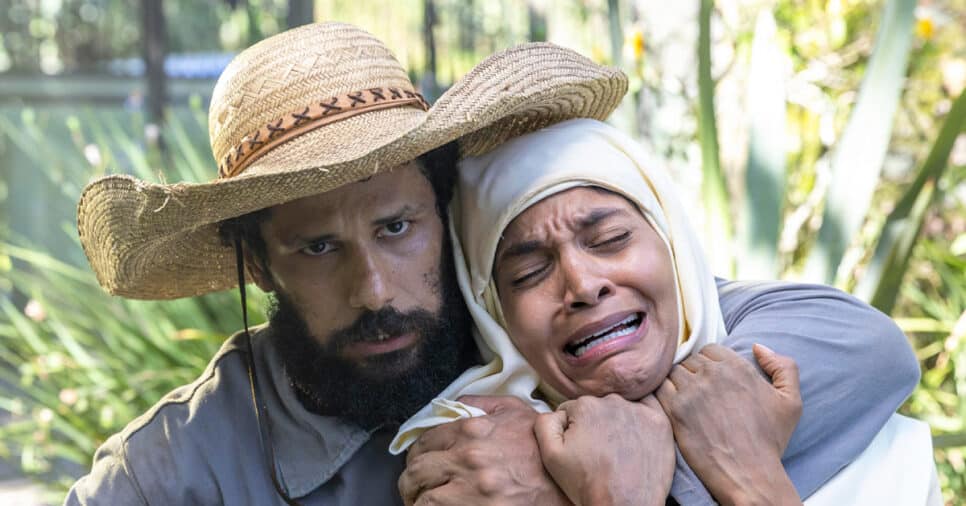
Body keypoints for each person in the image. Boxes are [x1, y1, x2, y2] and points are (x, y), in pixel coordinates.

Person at [66, 23, 919, 505]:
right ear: (259, 264)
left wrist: (584, 466)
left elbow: (863, 346)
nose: (375, 290)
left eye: (397, 227)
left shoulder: (538, 313)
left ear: (446, 217)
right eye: (318, 247)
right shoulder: (174, 469)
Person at [393, 118, 939, 505]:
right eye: (529, 273)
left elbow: (879, 349)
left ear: (673, 247)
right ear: (494, 317)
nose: (582, 285)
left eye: (609, 238)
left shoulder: (809, 355)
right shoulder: (467, 469)